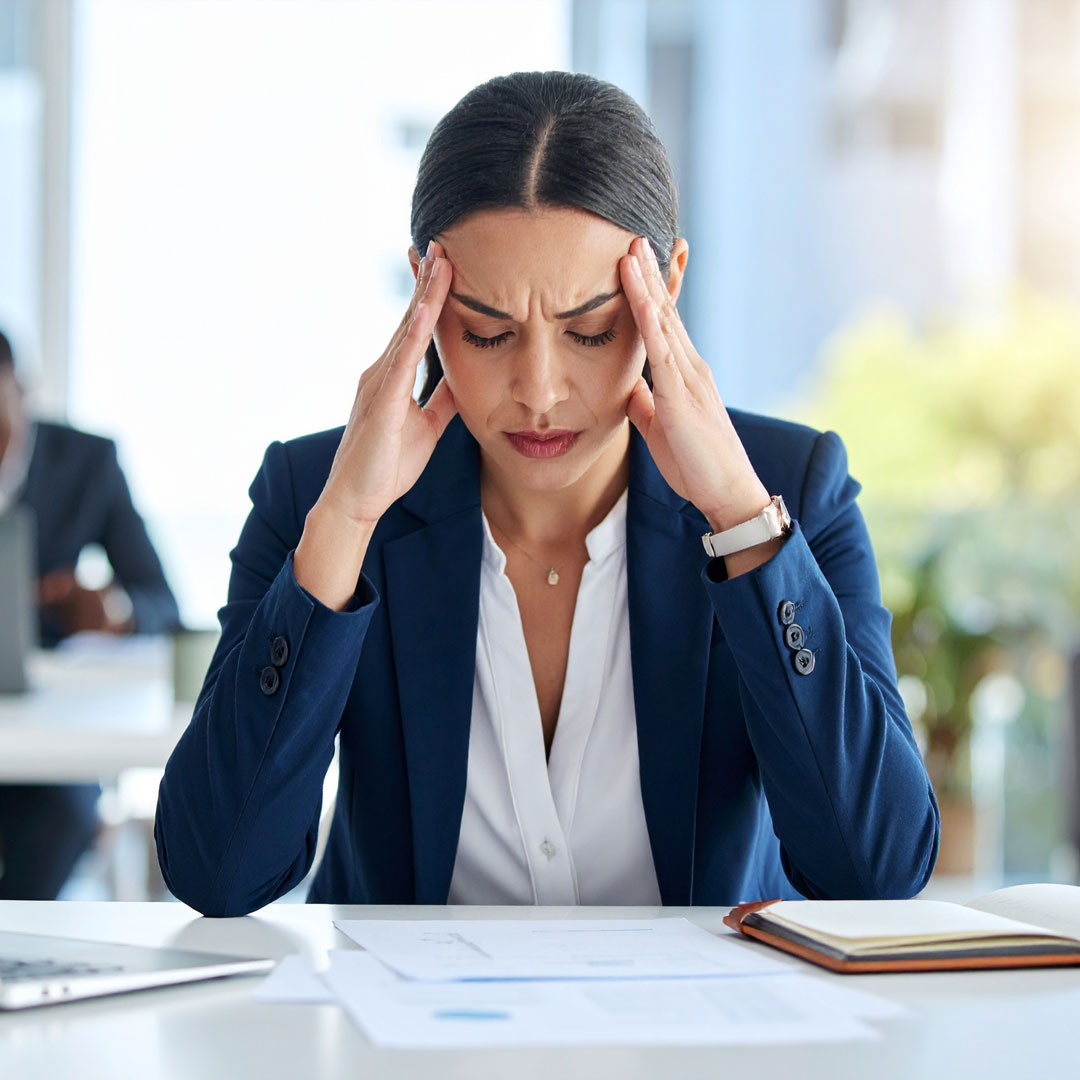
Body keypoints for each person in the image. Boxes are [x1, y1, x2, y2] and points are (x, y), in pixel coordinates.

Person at [155, 71, 940, 918]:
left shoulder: (788, 490)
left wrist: (743, 528)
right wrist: (345, 526)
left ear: (665, 288)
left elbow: (877, 869)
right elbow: (216, 872)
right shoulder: (320, 497)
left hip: (696, 1045)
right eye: (487, 331)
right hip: (403, 1047)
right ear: (427, 290)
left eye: (590, 330)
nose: (538, 391)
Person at [0, 329, 181, 899]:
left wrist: (114, 616)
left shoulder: (85, 461)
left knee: (62, 813)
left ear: (21, 392)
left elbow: (161, 602)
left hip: (49, 730)